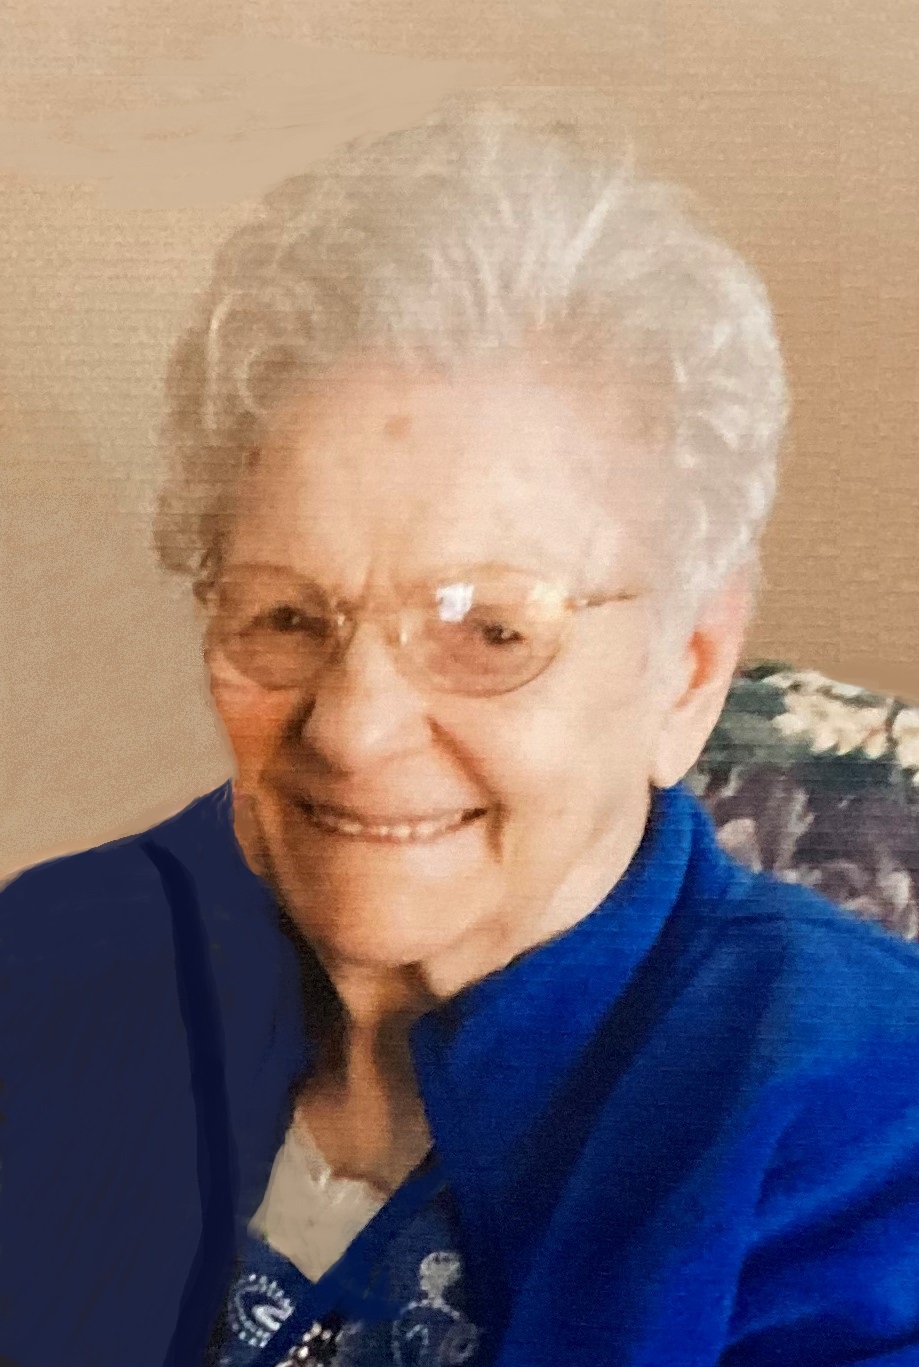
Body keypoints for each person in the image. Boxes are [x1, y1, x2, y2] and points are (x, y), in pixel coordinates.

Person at [3, 104, 919, 1367]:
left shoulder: (866, 1118)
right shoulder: (55, 968)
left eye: (491, 631)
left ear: (687, 671)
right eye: (287, 615)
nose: (353, 727)